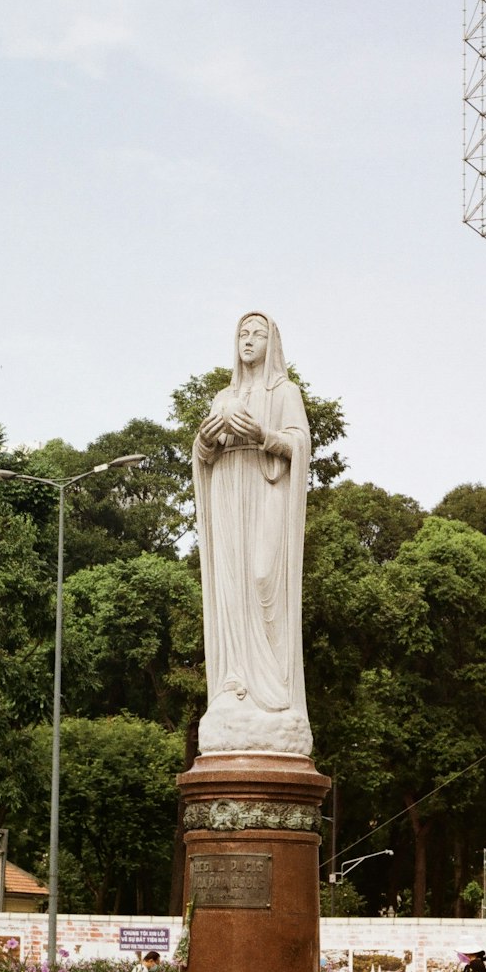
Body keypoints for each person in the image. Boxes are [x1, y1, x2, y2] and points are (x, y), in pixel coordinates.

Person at [193, 312, 312, 756]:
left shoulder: (285, 393)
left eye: (257, 334)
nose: (248, 340)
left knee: (265, 578)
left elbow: (299, 445)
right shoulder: (223, 396)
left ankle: (273, 691)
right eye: (242, 333)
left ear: (272, 343)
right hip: (228, 492)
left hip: (266, 489)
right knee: (233, 587)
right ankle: (235, 681)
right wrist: (204, 442)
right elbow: (204, 454)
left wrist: (264, 434)